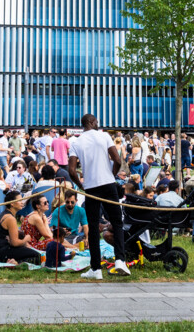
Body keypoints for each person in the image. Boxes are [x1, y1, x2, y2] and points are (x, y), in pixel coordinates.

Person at [68, 113, 131, 280]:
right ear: (91, 122)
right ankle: (120, 260)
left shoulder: (76, 142)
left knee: (94, 227)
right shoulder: (104, 136)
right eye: (96, 121)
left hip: (91, 189)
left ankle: (96, 269)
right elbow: (117, 160)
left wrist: (81, 185)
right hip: (109, 185)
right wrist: (112, 175)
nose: (98, 123)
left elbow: (72, 171)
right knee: (117, 222)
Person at [0, 190, 40, 265]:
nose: (22, 202)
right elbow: (15, 243)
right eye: (20, 200)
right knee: (37, 257)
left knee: (30, 252)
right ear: (12, 203)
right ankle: (16, 262)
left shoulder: (5, 214)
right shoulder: (10, 218)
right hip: (1, 254)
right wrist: (26, 239)